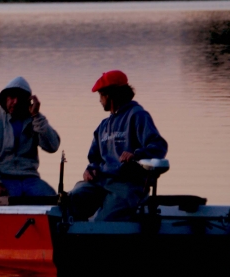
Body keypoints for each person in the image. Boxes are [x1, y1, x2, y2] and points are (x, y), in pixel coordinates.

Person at [69, 70, 168, 221]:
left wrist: (137, 155)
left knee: (103, 222)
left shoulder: (138, 115)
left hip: (127, 186)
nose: (100, 100)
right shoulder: (103, 126)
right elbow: (94, 158)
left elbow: (159, 146)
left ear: (109, 95)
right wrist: (91, 170)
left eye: (100, 95)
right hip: (102, 182)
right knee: (73, 198)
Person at [0, 76, 61, 198]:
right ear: (5, 99)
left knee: (52, 199)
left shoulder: (35, 120)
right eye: (11, 97)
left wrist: (37, 116)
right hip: (1, 178)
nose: (14, 102)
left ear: (27, 101)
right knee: (2, 200)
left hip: (30, 179)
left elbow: (53, 146)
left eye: (19, 98)